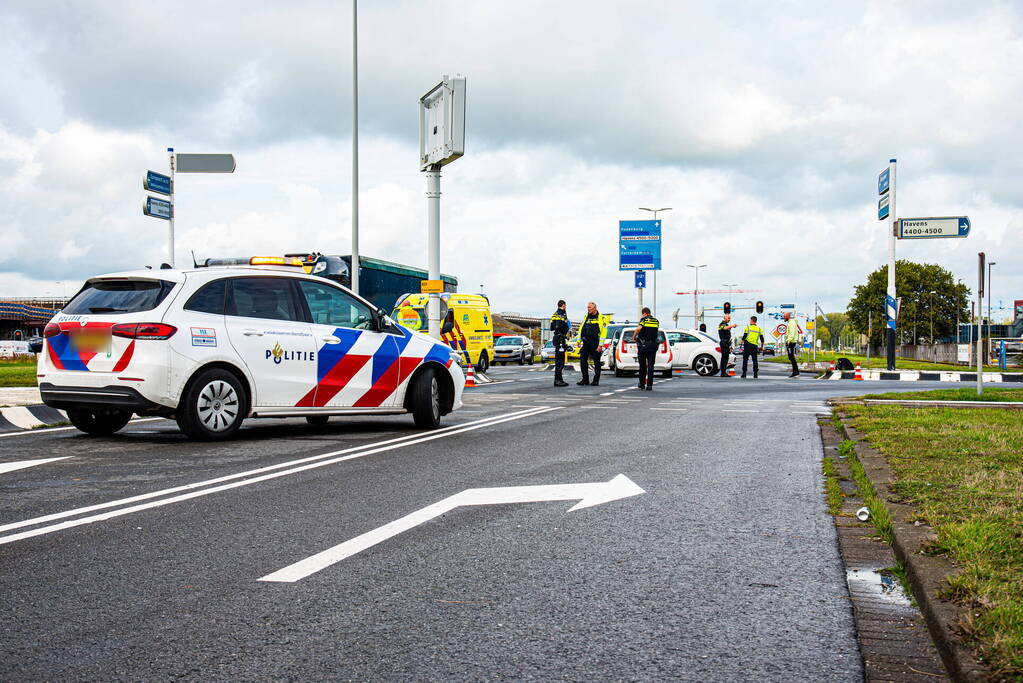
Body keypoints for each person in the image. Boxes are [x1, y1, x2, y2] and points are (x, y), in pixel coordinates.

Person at [633, 307, 659, 390]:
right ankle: (649, 385)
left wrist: (634, 336)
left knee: (642, 366)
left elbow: (638, 329)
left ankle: (642, 384)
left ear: (644, 313)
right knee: (651, 366)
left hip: (643, 346)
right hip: (653, 346)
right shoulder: (656, 321)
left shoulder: (643, 320)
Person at [576, 301, 602, 386]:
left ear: (595, 308)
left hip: (595, 343)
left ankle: (596, 380)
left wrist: (600, 345)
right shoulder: (586, 316)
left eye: (590, 307)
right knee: (583, 360)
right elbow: (581, 329)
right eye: (587, 307)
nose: (588, 309)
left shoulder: (600, 318)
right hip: (586, 342)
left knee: (596, 362)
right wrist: (578, 341)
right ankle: (585, 379)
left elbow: (604, 332)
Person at [550, 300, 569, 387]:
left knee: (560, 360)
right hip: (560, 338)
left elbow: (553, 326)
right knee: (560, 360)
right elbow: (557, 326)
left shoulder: (558, 313)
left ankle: (559, 379)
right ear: (563, 305)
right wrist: (564, 330)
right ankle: (558, 380)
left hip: (559, 337)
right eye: (565, 306)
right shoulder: (560, 314)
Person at [783, 311, 801, 377]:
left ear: (788, 316)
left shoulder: (792, 323)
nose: (783, 317)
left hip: (791, 342)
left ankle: (796, 372)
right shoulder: (790, 323)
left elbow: (792, 333)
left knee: (792, 357)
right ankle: (795, 372)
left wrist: (789, 341)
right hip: (790, 341)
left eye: (784, 316)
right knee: (791, 357)